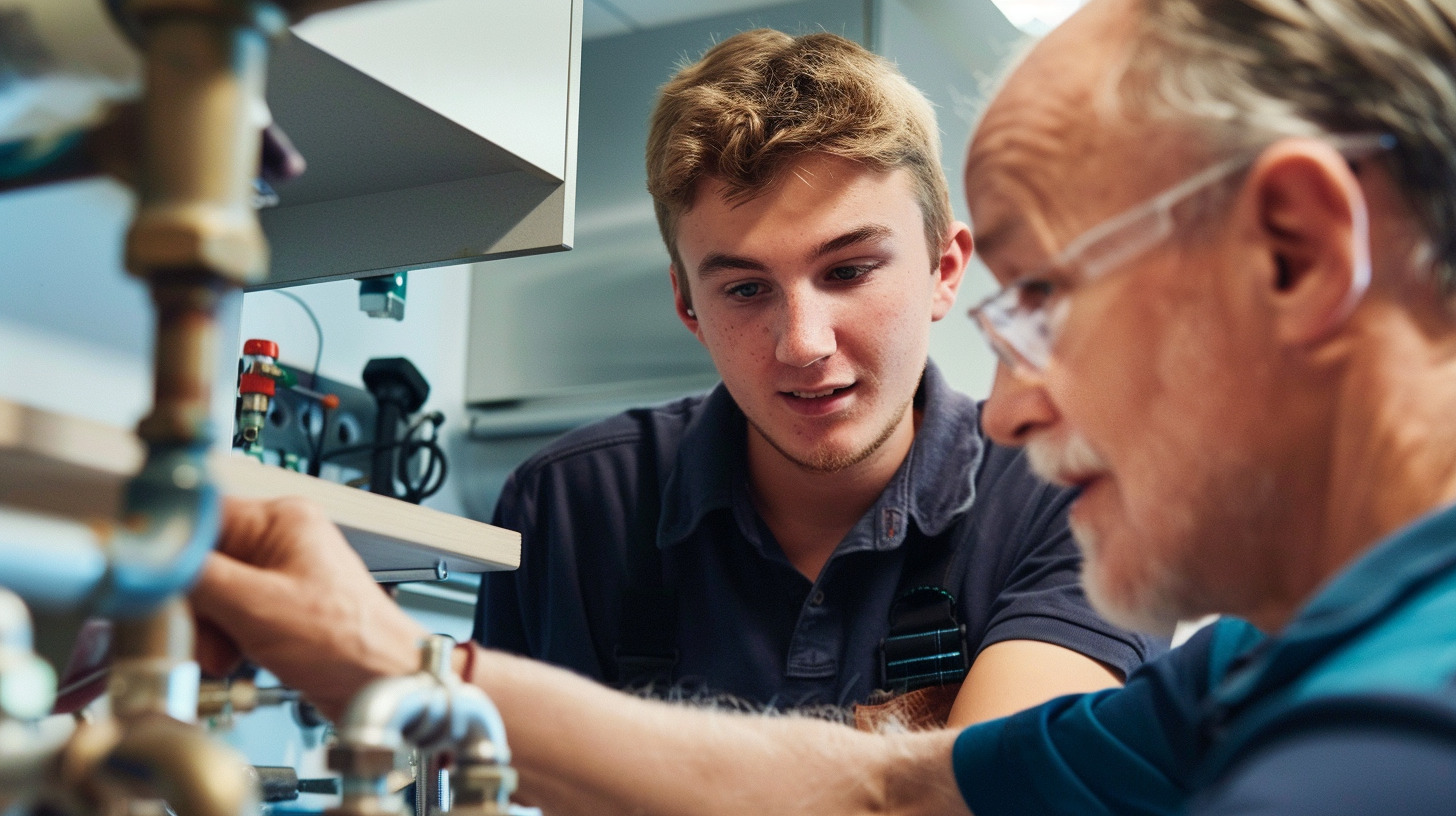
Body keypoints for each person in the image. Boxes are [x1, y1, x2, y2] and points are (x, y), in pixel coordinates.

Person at [191, 0, 1456, 811]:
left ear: (1292, 253)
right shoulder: (1255, 672)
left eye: (1047, 303)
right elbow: (895, 795)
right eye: (743, 288)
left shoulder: (1395, 726)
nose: (1007, 408)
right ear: (689, 305)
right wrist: (384, 661)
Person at [474, 27, 1158, 728]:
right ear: (687, 305)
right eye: (745, 289)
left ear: (943, 269)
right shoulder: (565, 510)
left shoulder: (1069, 499)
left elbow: (978, 797)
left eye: (848, 271)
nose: (803, 344)